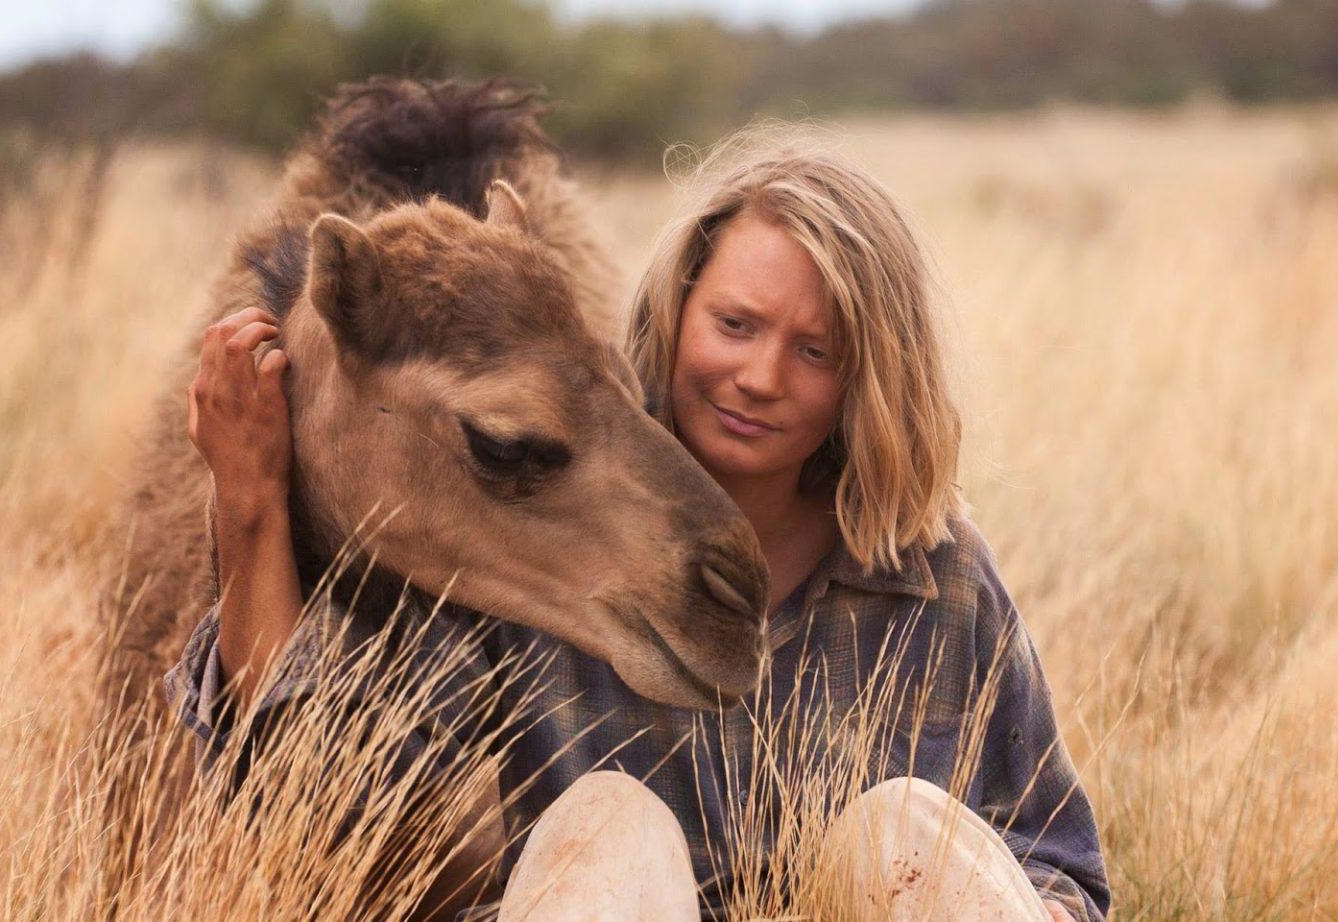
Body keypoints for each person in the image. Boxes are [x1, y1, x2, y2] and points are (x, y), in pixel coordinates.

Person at [165, 129, 1110, 921]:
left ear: (866, 377)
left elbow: (1058, 866)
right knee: (610, 834)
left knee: (904, 829)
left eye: (815, 350)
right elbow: (331, 828)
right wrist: (248, 506)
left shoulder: (931, 575)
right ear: (679, 306)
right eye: (735, 325)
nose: (761, 377)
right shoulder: (515, 553)